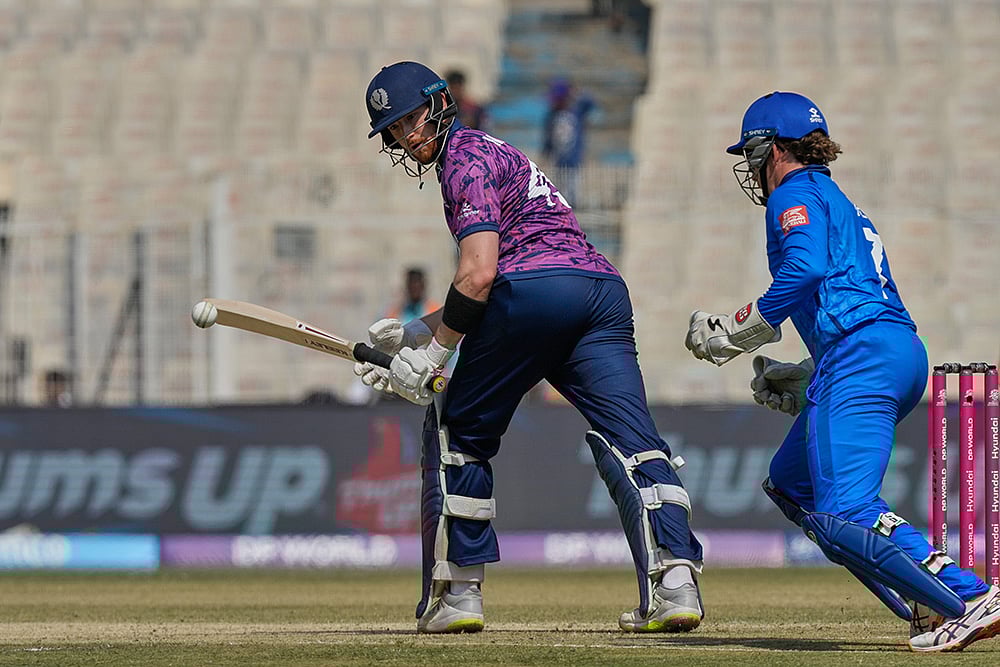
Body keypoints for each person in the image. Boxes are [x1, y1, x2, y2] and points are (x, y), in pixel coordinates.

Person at [358, 61, 704, 635]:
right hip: (599, 291)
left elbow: (482, 275)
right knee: (635, 440)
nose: (405, 135)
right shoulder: (497, 151)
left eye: (410, 119)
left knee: (458, 431)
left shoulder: (461, 161)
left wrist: (434, 354)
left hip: (534, 294)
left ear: (440, 104)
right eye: (393, 129)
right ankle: (675, 583)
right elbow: (520, 264)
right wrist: (421, 329)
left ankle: (459, 593)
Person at [683, 90, 1000, 652]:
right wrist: (810, 372)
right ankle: (922, 599)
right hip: (890, 350)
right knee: (793, 483)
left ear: (773, 149)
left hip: (862, 355)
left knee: (844, 511)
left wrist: (739, 329)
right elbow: (852, 293)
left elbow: (806, 268)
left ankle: (968, 594)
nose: (751, 168)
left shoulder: (796, 194)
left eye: (752, 153)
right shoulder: (833, 196)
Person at [541, 77, 595, 207]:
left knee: (572, 188)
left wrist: (575, 92)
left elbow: (590, 102)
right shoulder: (551, 116)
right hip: (558, 160)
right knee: (559, 188)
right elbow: (548, 138)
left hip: (574, 159)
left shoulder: (576, 113)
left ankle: (573, 209)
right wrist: (545, 153)